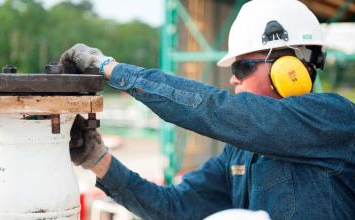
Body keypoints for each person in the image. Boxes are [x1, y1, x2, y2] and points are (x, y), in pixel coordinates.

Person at [61, 0, 355, 219]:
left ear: (290, 68)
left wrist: (110, 68)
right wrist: (98, 161)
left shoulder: (333, 119)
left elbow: (214, 109)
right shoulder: (239, 153)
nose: (233, 77)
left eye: (243, 65)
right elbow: (174, 207)